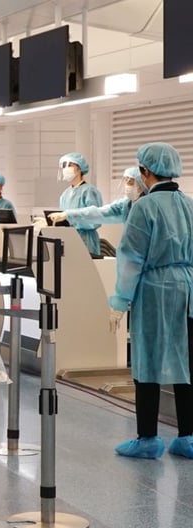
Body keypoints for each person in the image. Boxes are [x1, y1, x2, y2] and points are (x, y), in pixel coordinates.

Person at [109, 143, 193, 460]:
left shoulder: (145, 208)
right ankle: (188, 436)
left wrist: (119, 302)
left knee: (147, 362)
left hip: (155, 290)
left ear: (146, 171)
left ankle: (148, 438)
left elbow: (131, 259)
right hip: (188, 291)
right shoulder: (190, 205)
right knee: (187, 364)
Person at [48, 166, 146, 227]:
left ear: (141, 185)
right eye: (126, 180)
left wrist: (68, 215)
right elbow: (100, 212)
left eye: (131, 182)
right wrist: (66, 215)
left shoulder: (149, 206)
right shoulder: (126, 204)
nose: (127, 185)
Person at [57, 152, 103, 256]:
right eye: (64, 166)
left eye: (70, 165)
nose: (66, 168)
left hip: (86, 241)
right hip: (69, 241)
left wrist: (72, 219)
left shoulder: (89, 191)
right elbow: (63, 220)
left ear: (79, 168)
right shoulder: (65, 194)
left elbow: (95, 220)